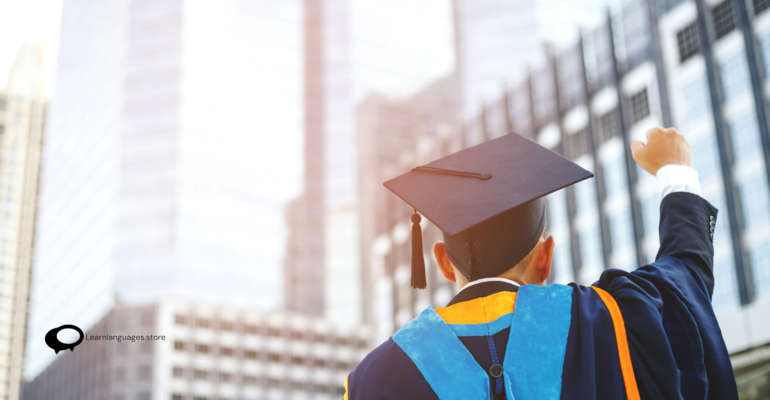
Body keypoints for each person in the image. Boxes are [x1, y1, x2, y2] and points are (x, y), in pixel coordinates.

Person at [342, 127, 738, 399]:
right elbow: (684, 276)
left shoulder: (371, 380)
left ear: (444, 263)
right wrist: (675, 172)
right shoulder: (612, 319)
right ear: (545, 257)